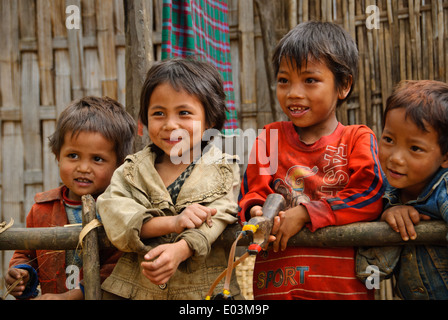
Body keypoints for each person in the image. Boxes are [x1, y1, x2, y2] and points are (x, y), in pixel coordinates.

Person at [238, 21, 385, 300]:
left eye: (310, 80)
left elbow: (370, 194)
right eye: (284, 80)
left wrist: (308, 213)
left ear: (344, 86)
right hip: (276, 289)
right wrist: (257, 213)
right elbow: (251, 194)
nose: (293, 92)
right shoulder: (270, 138)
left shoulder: (357, 139)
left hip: (343, 291)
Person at [96, 57, 242, 300]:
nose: (170, 124)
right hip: (134, 291)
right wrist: (173, 223)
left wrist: (181, 249)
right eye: (158, 113)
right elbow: (114, 214)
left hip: (204, 293)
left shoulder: (224, 169)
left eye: (184, 113)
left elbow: (221, 215)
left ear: (210, 121)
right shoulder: (130, 171)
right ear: (144, 121)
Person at [5, 96, 136, 300]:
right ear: (58, 155)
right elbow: (26, 254)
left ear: (119, 164)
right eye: (73, 155)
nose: (83, 168)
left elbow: (121, 268)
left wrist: (71, 297)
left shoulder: (122, 210)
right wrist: (21, 274)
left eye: (97, 159)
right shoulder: (41, 210)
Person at [357, 80, 448, 300]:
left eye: (415, 148)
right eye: (388, 139)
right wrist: (387, 218)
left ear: (446, 156)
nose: (395, 158)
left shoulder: (444, 189)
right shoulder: (379, 191)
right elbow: (370, 278)